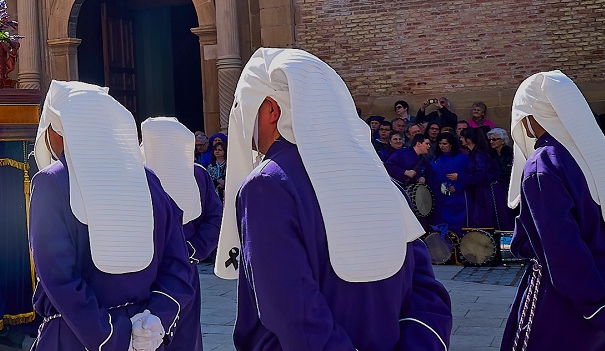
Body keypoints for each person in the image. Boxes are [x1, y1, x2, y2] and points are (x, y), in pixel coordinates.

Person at [216, 48, 452, 351]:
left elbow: (292, 311)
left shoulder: (268, 185)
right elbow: (426, 294)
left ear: (272, 110)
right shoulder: (381, 179)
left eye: (243, 107)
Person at [29, 82, 192, 351]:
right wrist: (155, 321)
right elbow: (178, 266)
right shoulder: (148, 180)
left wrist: (109, 336)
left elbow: (58, 276)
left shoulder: (51, 182)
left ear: (59, 130)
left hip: (75, 338)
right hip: (145, 338)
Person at [501, 70, 605, 350]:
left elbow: (562, 247)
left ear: (528, 116)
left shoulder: (544, 164)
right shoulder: (593, 155)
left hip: (565, 290)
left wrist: (596, 305)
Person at [141, 117, 222, 351]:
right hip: (146, 269)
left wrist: (192, 250)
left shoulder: (198, 175)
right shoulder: (135, 175)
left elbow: (214, 217)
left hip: (185, 268)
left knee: (185, 334)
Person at [429, 133, 469, 234]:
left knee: (457, 225)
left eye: (445, 143)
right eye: (440, 143)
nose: (442, 146)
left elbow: (470, 176)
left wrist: (458, 186)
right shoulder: (436, 158)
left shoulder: (462, 158)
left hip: (456, 197)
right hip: (438, 197)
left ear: (451, 144)